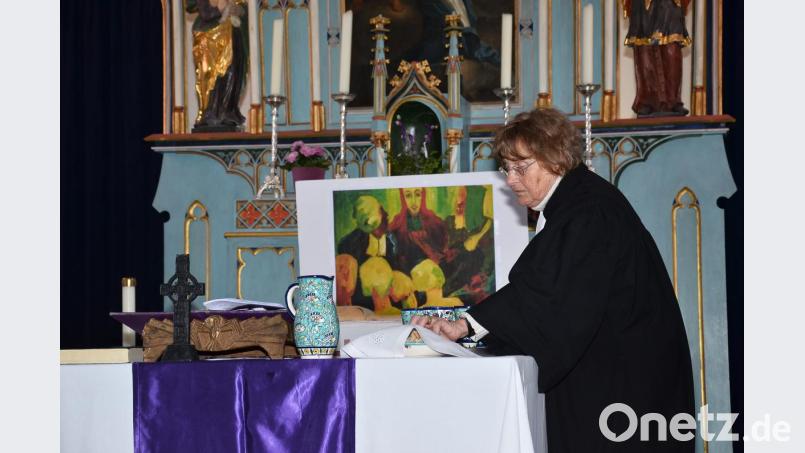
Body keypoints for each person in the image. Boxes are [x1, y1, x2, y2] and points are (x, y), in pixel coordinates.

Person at [412, 108, 695, 452]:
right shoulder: (578, 203)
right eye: (507, 169)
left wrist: (466, 326)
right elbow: (548, 290)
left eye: (521, 167)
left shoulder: (587, 211)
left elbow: (549, 296)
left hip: (622, 395)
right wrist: (472, 327)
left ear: (555, 159)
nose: (511, 179)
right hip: (619, 382)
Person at [187, 0, 249, 132]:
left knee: (232, 72)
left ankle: (227, 111)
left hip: (232, 32)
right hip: (208, 35)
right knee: (209, 76)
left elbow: (244, 6)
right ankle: (209, 113)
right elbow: (191, 5)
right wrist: (215, 7)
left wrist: (240, 10)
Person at [623, 0, 692, 116]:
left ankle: (673, 101)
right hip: (643, 7)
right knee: (645, 52)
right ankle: (647, 101)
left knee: (672, 52)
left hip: (670, 6)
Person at [388, 187, 448, 275]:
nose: (414, 201)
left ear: (423, 196)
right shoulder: (397, 226)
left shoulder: (435, 223)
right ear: (403, 198)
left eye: (417, 194)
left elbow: (442, 251)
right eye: (408, 195)